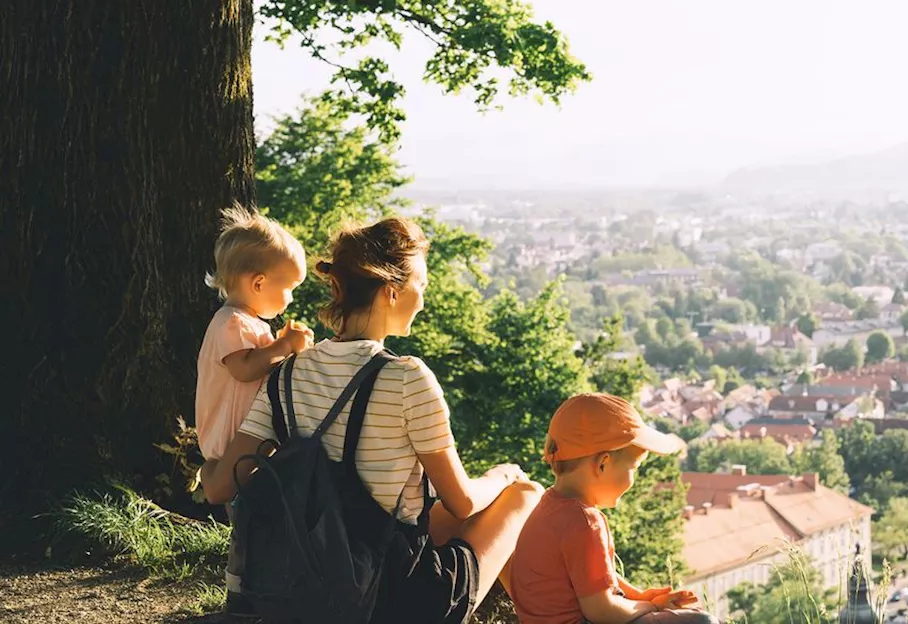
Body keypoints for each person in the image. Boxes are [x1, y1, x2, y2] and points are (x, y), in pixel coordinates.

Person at [203, 217, 543, 624]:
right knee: (525, 494)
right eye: (423, 287)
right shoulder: (408, 377)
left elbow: (221, 486)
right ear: (391, 291)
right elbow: (464, 502)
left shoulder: (288, 370)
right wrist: (504, 475)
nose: (423, 299)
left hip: (306, 581)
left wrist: (205, 464)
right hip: (391, 597)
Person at [507, 393, 719, 624]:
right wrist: (650, 606)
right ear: (603, 464)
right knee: (703, 622)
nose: (634, 479)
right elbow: (603, 610)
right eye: (634, 468)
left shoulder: (550, 507)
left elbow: (592, 576)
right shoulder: (584, 522)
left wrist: (638, 596)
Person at [194, 203, 312, 616]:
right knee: (247, 522)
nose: (292, 296)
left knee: (258, 515)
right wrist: (283, 347)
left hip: (244, 442)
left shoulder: (251, 324)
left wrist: (279, 345)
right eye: (289, 287)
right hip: (232, 443)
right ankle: (241, 595)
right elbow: (245, 369)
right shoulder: (231, 323)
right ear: (259, 283)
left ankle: (259, 584)